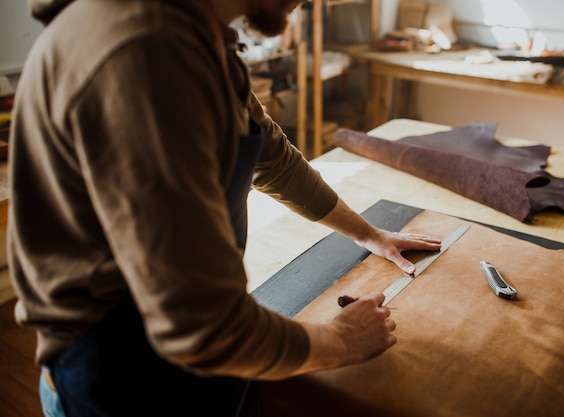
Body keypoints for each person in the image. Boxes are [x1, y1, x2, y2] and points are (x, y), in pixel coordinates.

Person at [8, 0, 441, 415]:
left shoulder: (199, 36)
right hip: (126, 381)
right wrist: (340, 342)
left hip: (193, 362)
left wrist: (369, 234)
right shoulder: (147, 54)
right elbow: (204, 326)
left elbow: (272, 158)